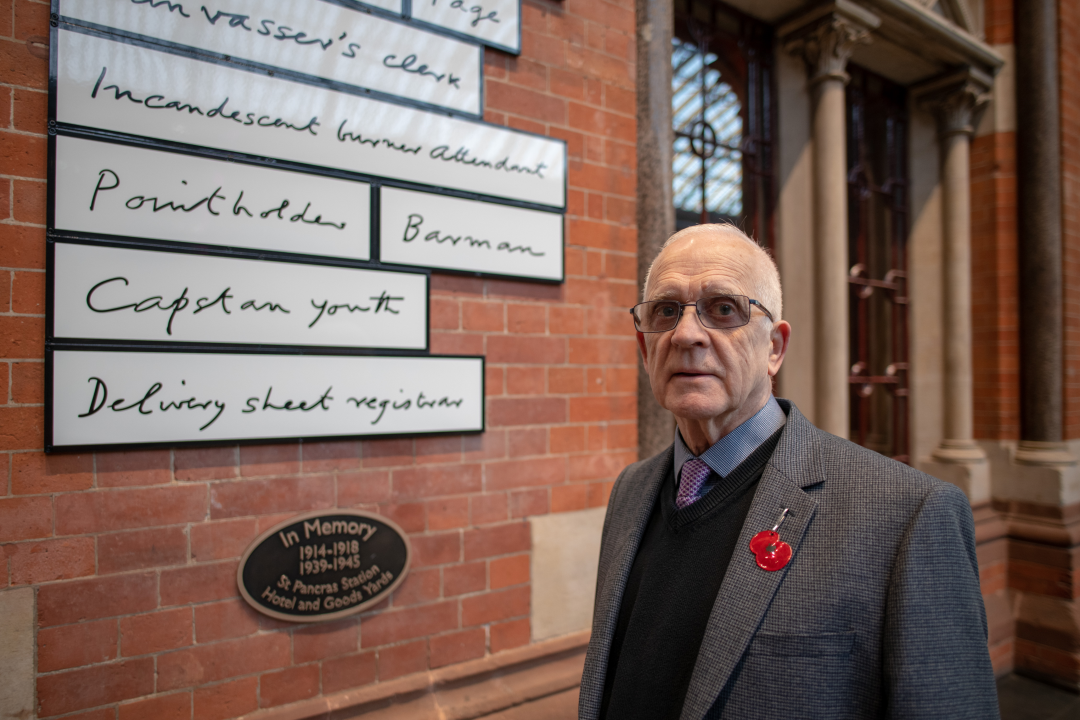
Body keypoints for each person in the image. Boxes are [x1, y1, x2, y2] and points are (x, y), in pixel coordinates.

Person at [578, 224, 998, 719]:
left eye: (724, 309)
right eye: (666, 311)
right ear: (645, 348)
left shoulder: (907, 516)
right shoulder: (632, 491)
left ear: (774, 348)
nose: (686, 334)